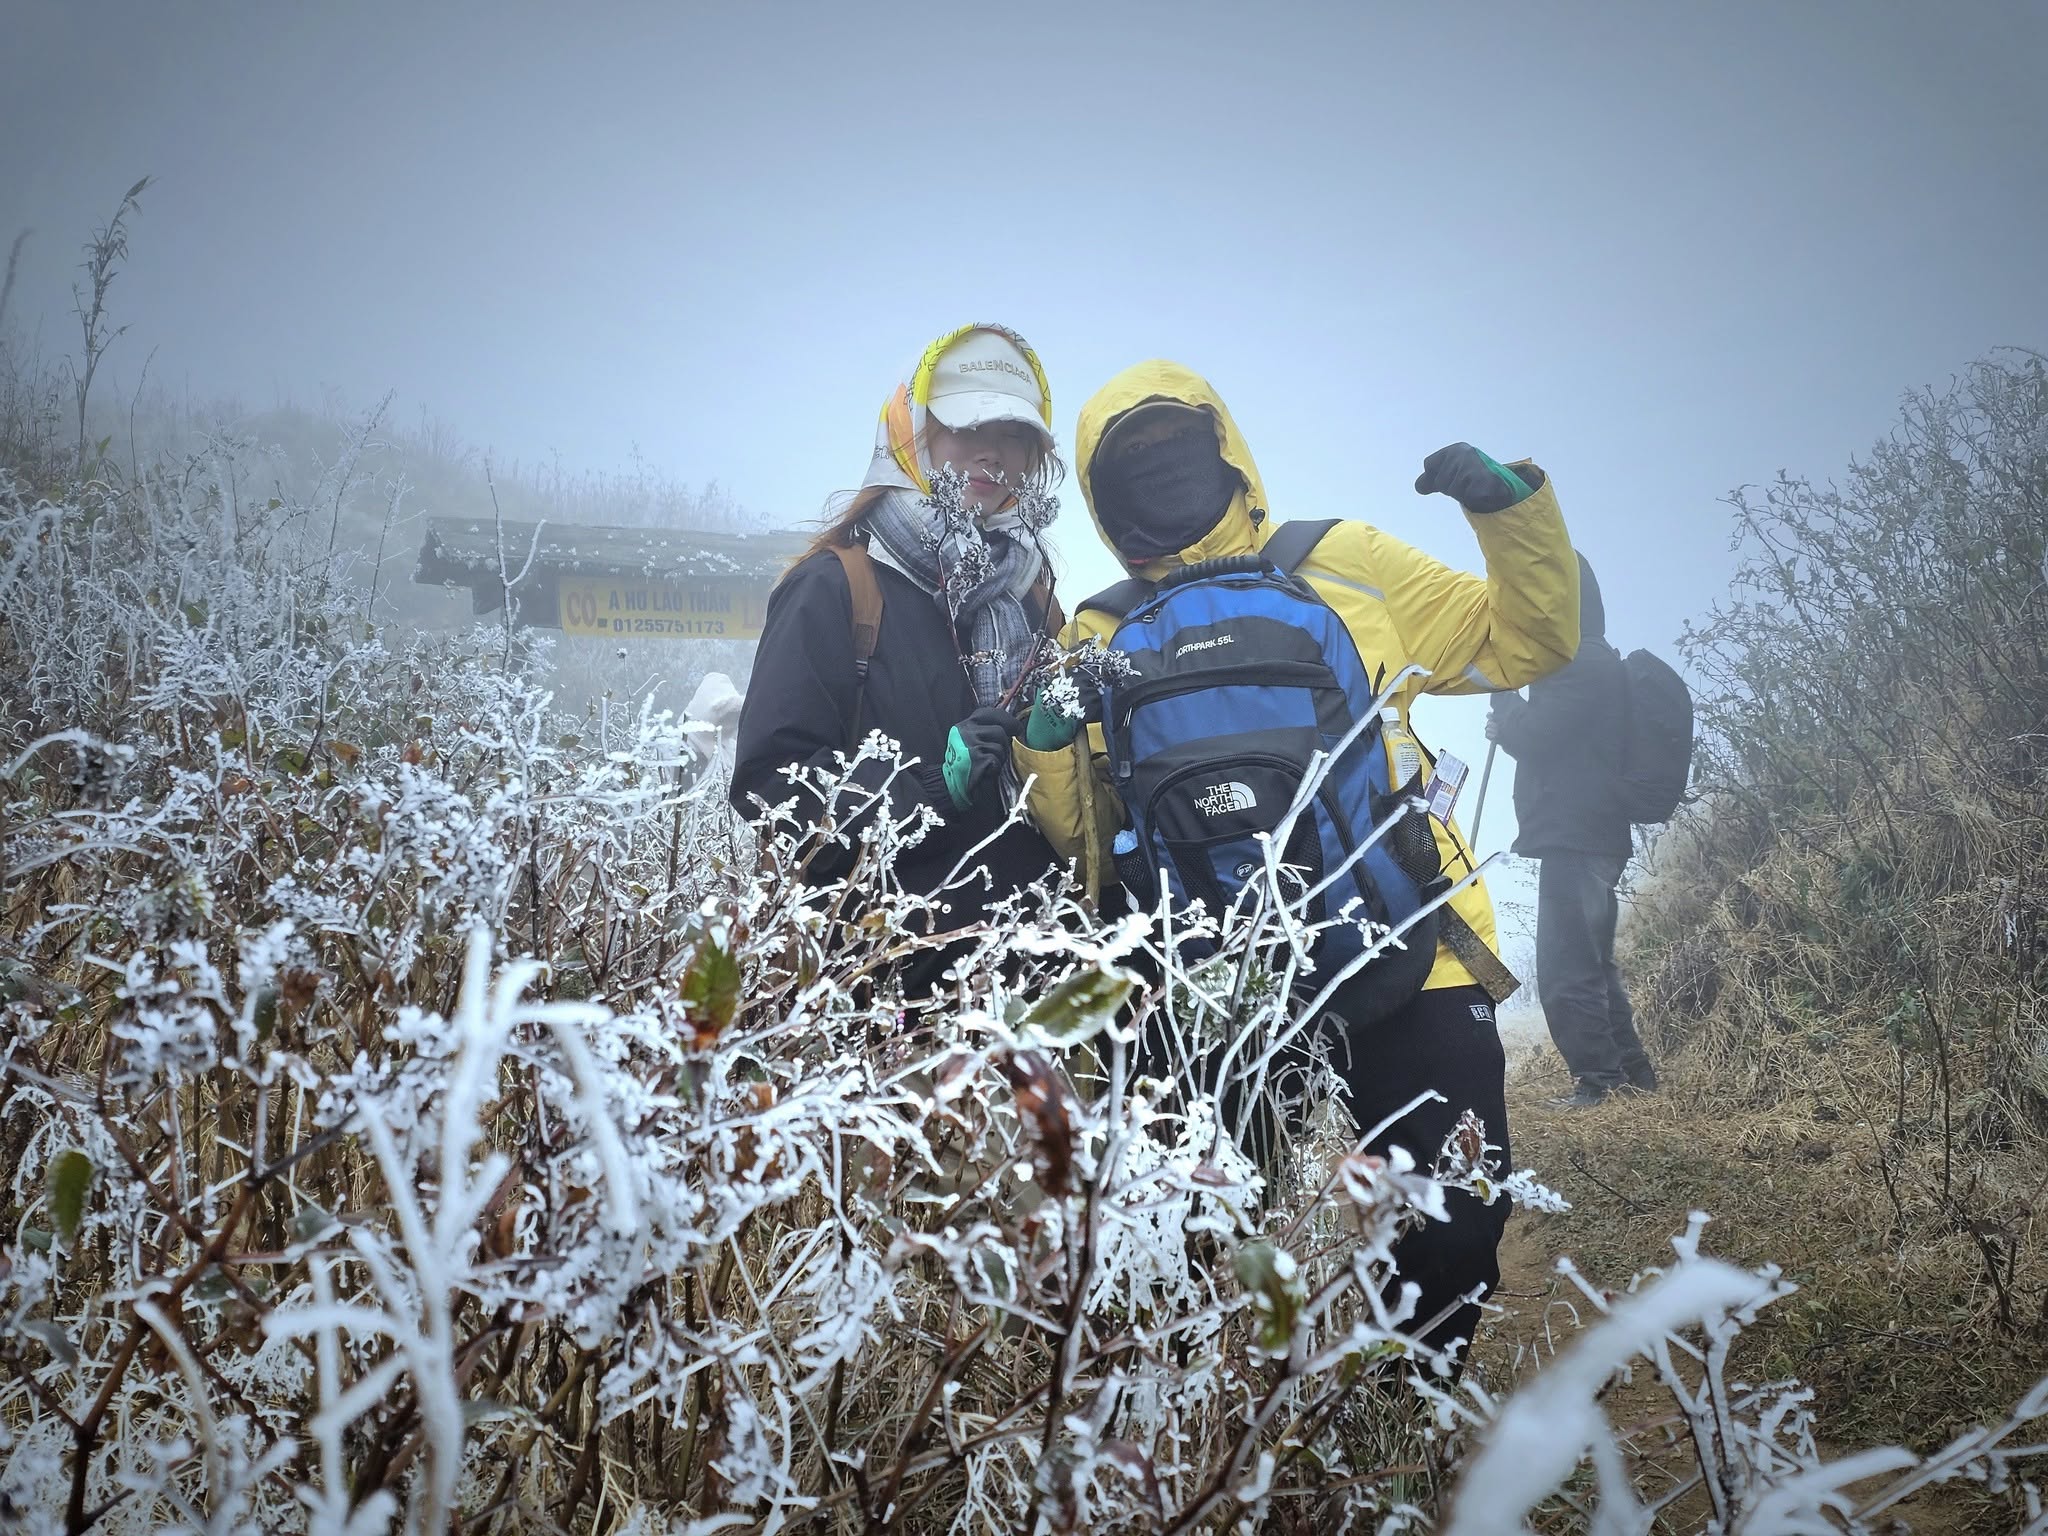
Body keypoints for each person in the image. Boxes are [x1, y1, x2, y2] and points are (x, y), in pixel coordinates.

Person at [1015, 360, 1581, 1359]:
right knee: (1208, 1239)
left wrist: (1511, 511)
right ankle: (1248, 1435)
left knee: (1448, 1211)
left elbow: (1530, 639)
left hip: (1401, 948)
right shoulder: (1094, 628)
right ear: (1103, 495)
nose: (1157, 472)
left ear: (1223, 450)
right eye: (1131, 459)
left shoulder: (1344, 561)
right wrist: (1036, 731)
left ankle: (1398, 1411)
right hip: (1224, 985)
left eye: (1170, 446)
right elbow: (1084, 838)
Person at [731, 324, 1065, 996]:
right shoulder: (836, 588)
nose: (992, 452)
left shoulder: (1035, 600)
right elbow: (769, 785)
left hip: (1028, 996)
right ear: (912, 433)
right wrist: (928, 788)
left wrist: (1056, 753)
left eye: (1014, 435)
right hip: (883, 1005)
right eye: (967, 426)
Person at [1487, 553, 1657, 1107]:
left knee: (1564, 968)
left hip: (1578, 836)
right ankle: (1633, 1076)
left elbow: (1538, 734)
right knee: (1591, 963)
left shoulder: (1580, 661)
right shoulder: (1593, 657)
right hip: (1591, 835)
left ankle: (1599, 1082)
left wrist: (1505, 696)